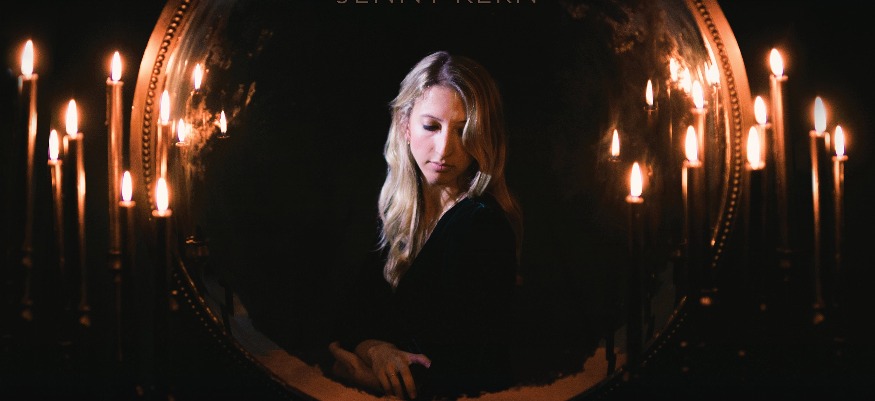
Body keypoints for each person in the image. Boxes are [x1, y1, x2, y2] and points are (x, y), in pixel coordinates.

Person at [328, 50, 523, 400]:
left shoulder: (482, 225)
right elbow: (349, 319)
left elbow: (465, 372)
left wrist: (362, 375)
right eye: (431, 126)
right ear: (405, 124)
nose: (444, 148)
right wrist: (376, 350)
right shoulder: (396, 211)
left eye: (463, 131)